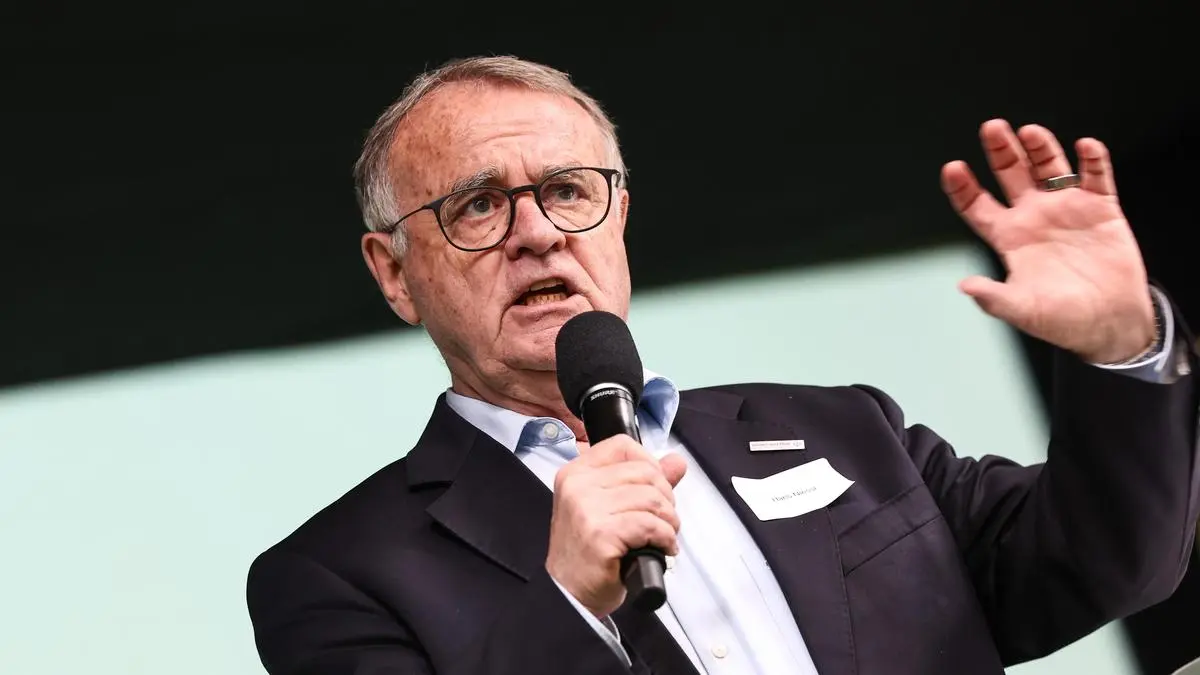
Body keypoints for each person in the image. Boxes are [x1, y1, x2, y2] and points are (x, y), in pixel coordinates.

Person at [245, 55, 1199, 675]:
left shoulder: (845, 430)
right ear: (395, 274)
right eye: (479, 205)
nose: (538, 233)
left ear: (619, 219)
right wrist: (571, 605)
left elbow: (1114, 563)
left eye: (569, 190)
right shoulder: (335, 577)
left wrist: (1121, 347)